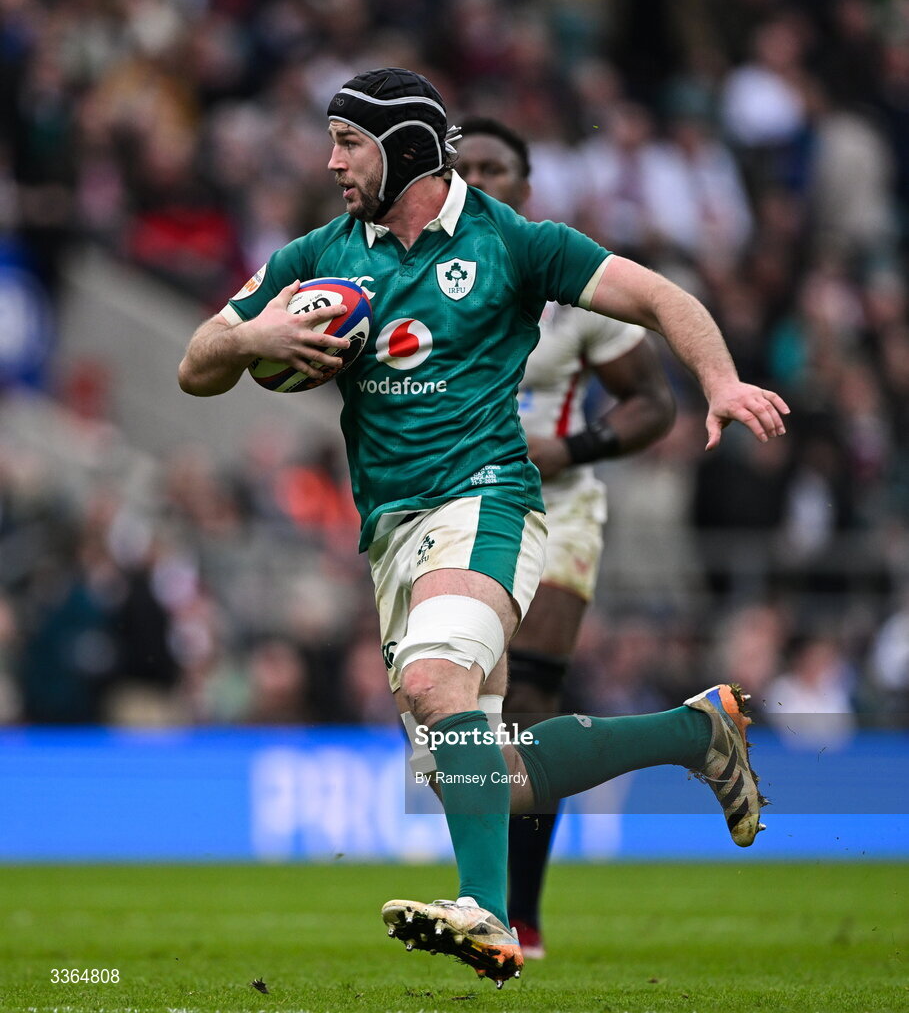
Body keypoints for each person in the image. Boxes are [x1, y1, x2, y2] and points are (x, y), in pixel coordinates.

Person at [178, 68, 788, 987]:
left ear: (405, 150)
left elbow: (664, 299)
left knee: (435, 681)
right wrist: (250, 339)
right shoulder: (318, 253)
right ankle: (691, 733)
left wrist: (721, 381)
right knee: (479, 767)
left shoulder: (513, 242)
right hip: (391, 528)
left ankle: (488, 915)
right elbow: (195, 364)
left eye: (347, 142)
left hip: (487, 498)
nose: (331, 162)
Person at [454, 116, 676, 959]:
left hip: (557, 504)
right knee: (461, 704)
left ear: (525, 186)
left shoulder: (568, 279)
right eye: (463, 167)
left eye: (495, 167)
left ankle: (520, 911)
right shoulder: (421, 274)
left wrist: (572, 447)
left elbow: (653, 403)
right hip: (455, 505)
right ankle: (485, 890)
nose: (479, 180)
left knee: (526, 696)